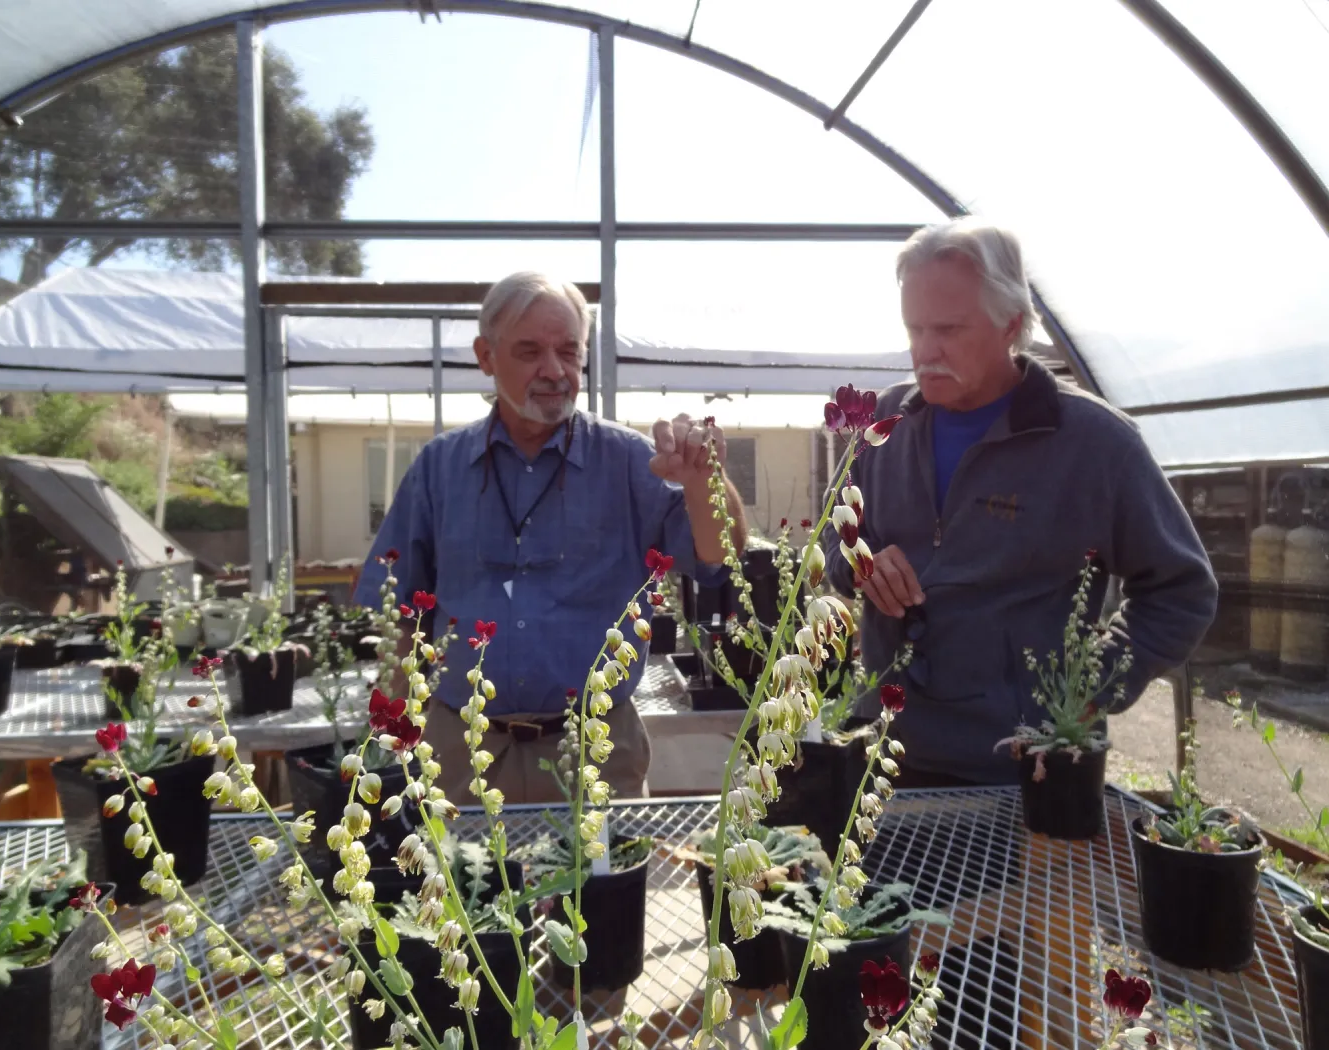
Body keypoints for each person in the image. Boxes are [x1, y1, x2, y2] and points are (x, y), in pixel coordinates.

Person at [824, 219, 1217, 785]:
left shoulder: (1094, 444)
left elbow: (1182, 591)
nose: (925, 351)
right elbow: (835, 537)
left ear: (1010, 323)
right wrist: (861, 562)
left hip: (1026, 772)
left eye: (949, 329)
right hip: (884, 754)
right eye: (914, 328)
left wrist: (1088, 688)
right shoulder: (884, 425)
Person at [355, 271, 747, 805]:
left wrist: (705, 478)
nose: (554, 370)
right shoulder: (440, 468)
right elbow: (401, 612)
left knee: (603, 865)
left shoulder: (630, 462)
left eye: (568, 351)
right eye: (529, 352)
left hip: (596, 753)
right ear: (486, 356)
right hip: (460, 755)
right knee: (463, 865)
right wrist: (396, 738)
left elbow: (719, 555)